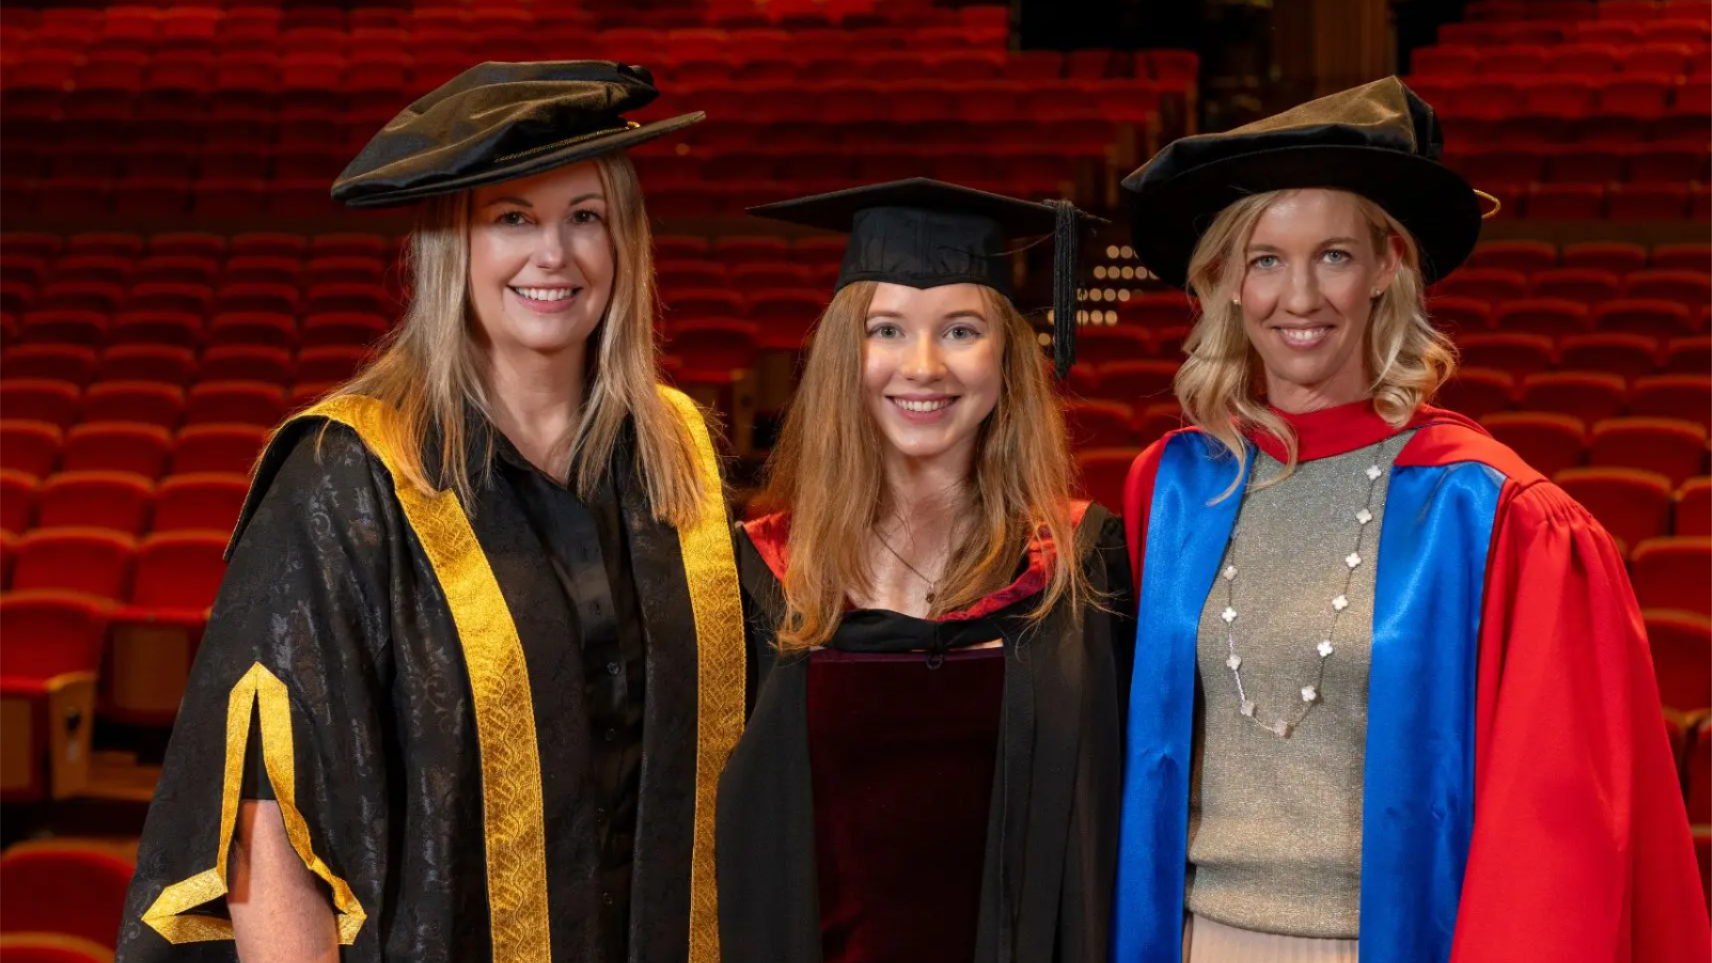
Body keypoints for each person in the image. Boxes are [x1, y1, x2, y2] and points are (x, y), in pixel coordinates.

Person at [116, 62, 745, 963]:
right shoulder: (347, 479)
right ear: (454, 245)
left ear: (626, 243)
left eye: (585, 216)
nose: (553, 255)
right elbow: (267, 832)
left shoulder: (676, 457)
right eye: (513, 218)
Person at [1111, 76, 1712, 963]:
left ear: (1388, 266)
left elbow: (1553, 833)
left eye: (1335, 256)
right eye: (1265, 259)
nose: (1300, 296)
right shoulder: (1170, 490)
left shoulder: (1489, 513)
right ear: (1225, 283)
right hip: (1193, 940)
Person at [715, 178, 1134, 963]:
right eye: (887, 329)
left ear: (1007, 354)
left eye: (962, 329)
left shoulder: (1080, 569)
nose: (924, 364)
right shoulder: (761, 575)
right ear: (848, 353)